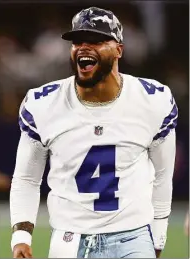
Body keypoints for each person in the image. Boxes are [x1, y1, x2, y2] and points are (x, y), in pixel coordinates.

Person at [10, 6, 178, 258]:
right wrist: (21, 236)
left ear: (118, 49)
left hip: (133, 235)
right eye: (78, 41)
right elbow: (26, 179)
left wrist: (159, 233)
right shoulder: (43, 103)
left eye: (96, 41)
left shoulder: (152, 100)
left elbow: (163, 175)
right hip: (69, 237)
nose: (84, 47)